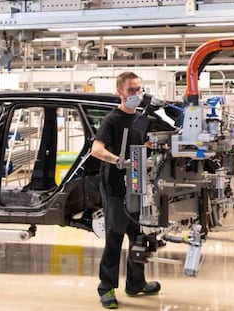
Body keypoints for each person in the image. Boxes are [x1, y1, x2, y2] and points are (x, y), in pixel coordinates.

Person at [91, 71, 161, 309]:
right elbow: (96, 149)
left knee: (138, 236)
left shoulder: (141, 119)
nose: (136, 94)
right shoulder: (112, 119)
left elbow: (144, 147)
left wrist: (150, 150)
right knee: (115, 237)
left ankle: (136, 283)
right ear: (120, 92)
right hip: (115, 188)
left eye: (139, 90)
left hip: (137, 186)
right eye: (131, 90)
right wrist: (118, 160)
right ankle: (106, 288)